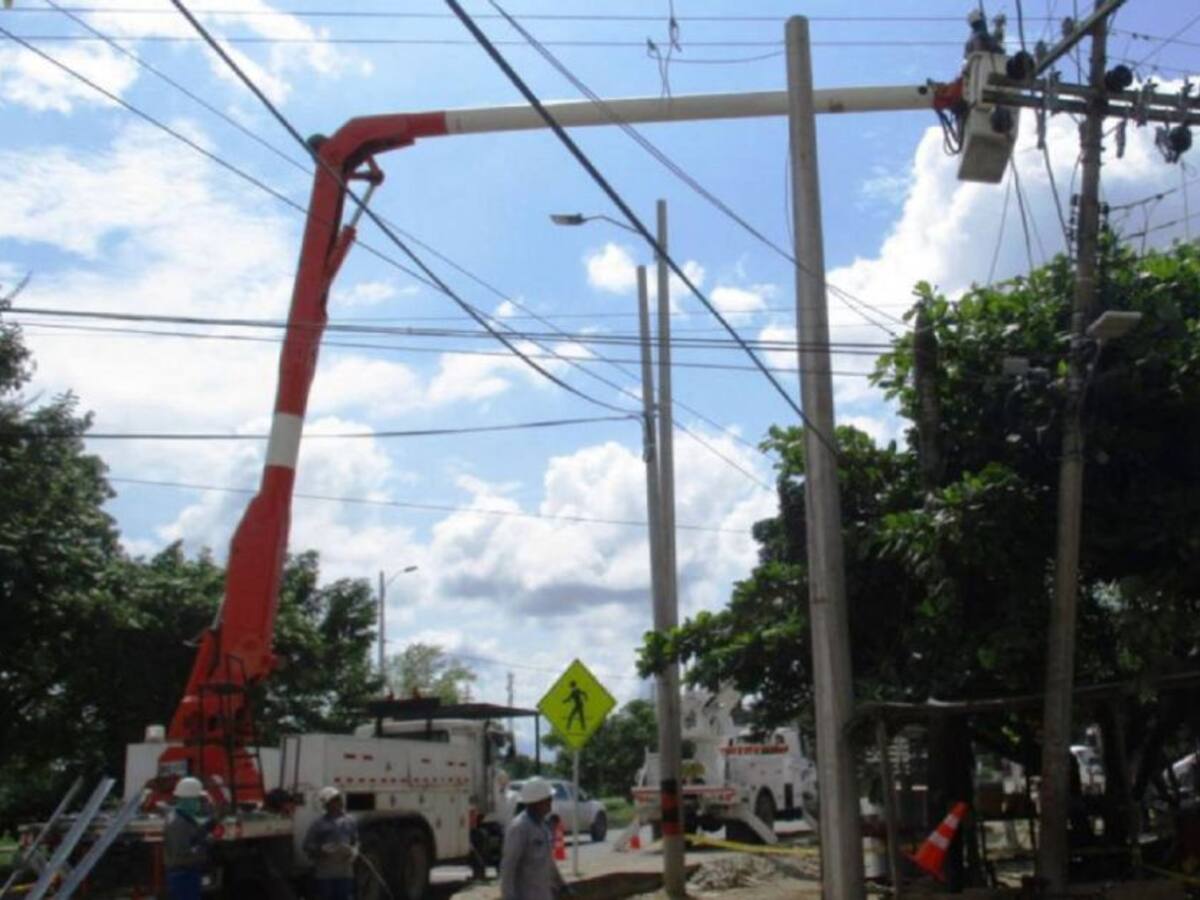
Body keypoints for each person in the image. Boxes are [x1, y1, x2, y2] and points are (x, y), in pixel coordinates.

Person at [500, 778, 570, 900]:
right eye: (548, 800)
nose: (551, 803)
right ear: (537, 802)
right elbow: (508, 868)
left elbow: (548, 862)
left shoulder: (543, 826)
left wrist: (562, 885)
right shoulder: (519, 828)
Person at [303, 786, 359, 900]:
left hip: (345, 872)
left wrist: (354, 852)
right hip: (325, 873)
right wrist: (321, 849)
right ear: (326, 804)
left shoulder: (350, 821)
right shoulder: (318, 824)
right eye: (333, 801)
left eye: (338, 800)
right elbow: (307, 845)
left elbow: (355, 841)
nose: (337, 803)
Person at [163, 777, 211, 900]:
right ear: (188, 800)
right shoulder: (178, 823)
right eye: (197, 800)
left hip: (185, 873)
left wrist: (209, 825)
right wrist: (203, 846)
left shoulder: (180, 816)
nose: (199, 803)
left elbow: (194, 832)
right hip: (183, 874)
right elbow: (184, 851)